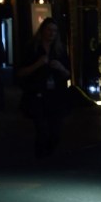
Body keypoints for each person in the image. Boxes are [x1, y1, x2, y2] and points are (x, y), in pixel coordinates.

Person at [17, 17, 71, 158]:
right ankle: (41, 161)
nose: (52, 33)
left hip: (56, 97)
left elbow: (68, 74)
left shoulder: (59, 50)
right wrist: (38, 64)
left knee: (56, 134)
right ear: (42, 31)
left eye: (54, 31)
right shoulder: (32, 49)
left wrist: (60, 68)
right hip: (37, 96)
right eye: (49, 30)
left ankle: (47, 157)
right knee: (42, 131)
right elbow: (21, 72)